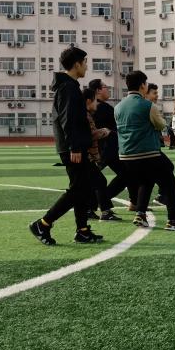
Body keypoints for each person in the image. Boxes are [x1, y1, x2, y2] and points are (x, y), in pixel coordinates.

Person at [28, 47, 103, 245]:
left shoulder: (69, 86)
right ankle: (43, 224)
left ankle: (82, 230)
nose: (86, 66)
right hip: (72, 147)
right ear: (77, 64)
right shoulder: (68, 88)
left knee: (83, 188)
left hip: (74, 145)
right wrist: (74, 147)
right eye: (85, 62)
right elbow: (68, 120)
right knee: (78, 188)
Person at [116, 71, 175, 230]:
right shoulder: (148, 105)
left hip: (126, 155)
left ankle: (141, 214)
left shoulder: (118, 107)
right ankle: (173, 220)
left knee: (147, 180)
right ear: (143, 85)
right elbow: (160, 125)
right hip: (147, 153)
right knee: (170, 183)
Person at [89, 79, 128, 219]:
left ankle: (96, 206)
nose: (109, 89)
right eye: (106, 87)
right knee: (96, 180)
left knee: (124, 174)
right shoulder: (101, 108)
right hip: (105, 150)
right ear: (98, 90)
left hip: (107, 149)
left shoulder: (100, 107)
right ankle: (99, 208)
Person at [82, 86, 114, 221]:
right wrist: (104, 131)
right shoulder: (85, 115)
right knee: (99, 181)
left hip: (88, 156)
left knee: (92, 183)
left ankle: (89, 210)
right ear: (89, 101)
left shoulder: (86, 114)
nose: (97, 104)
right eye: (95, 101)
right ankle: (105, 212)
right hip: (86, 156)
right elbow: (90, 134)